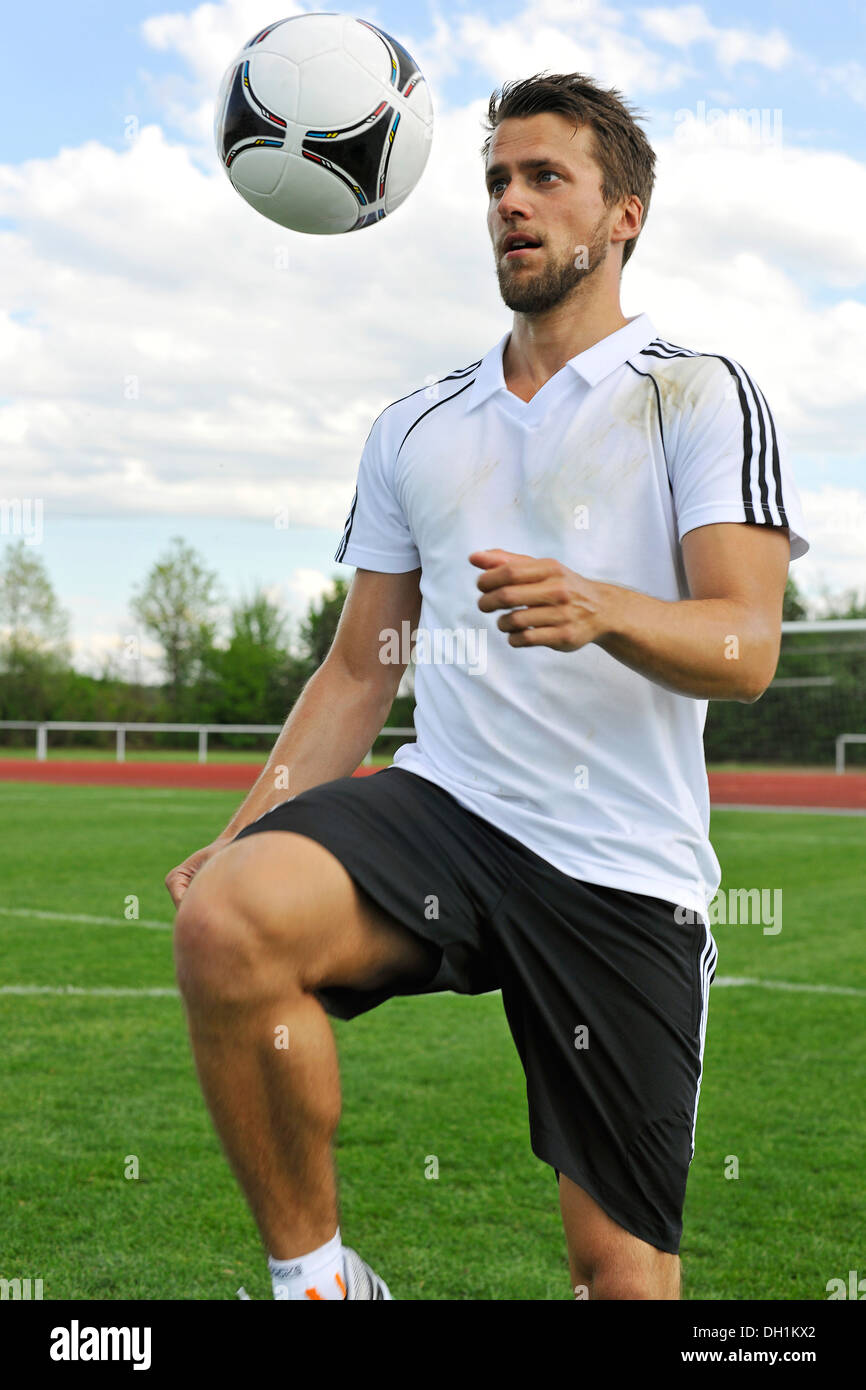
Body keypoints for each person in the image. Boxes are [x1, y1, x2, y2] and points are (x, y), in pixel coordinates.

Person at [165, 71, 809, 1301]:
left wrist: (601, 606)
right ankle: (318, 1283)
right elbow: (363, 664)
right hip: (451, 813)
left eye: (543, 178)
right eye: (495, 182)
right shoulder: (416, 424)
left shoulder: (696, 393)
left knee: (618, 1277)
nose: (510, 204)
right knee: (227, 918)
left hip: (620, 865)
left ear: (622, 214)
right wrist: (242, 831)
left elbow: (748, 645)